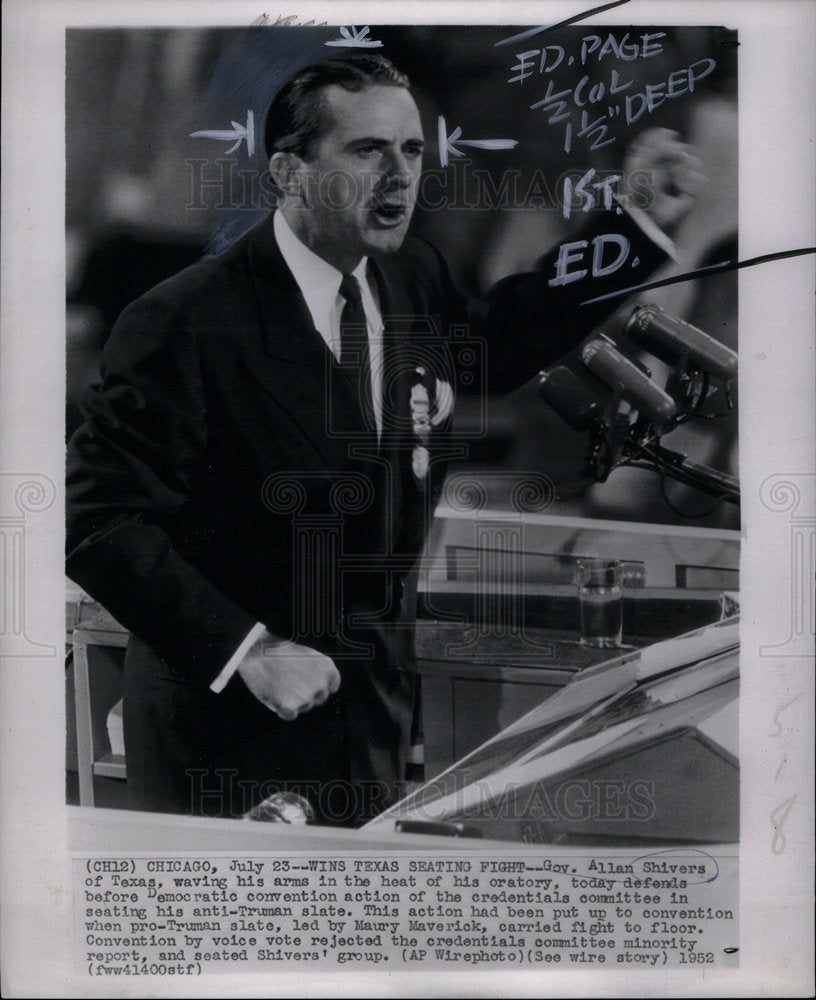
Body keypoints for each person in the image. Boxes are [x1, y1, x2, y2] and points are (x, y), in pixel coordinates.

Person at [66, 53, 700, 823]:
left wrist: (631, 226)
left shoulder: (408, 279)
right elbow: (97, 521)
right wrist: (250, 651)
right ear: (288, 171)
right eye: (368, 151)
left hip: (368, 723)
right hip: (226, 734)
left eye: (412, 151)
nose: (399, 176)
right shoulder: (184, 319)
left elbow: (496, 343)